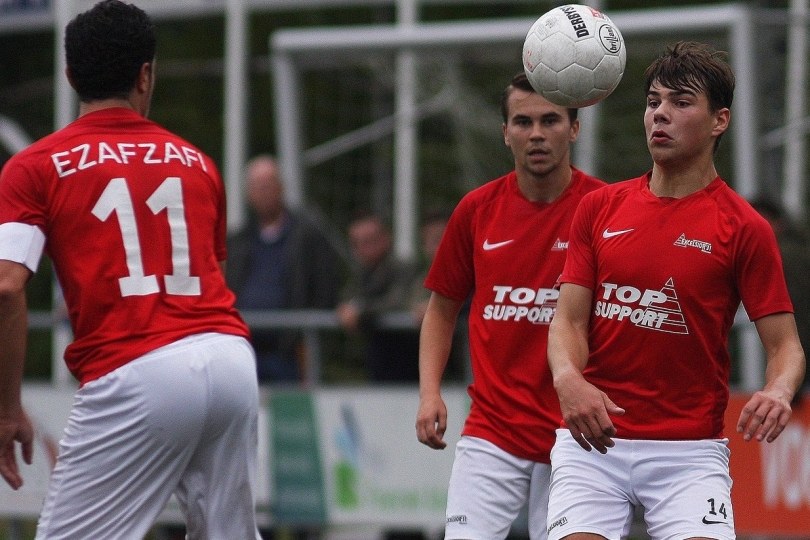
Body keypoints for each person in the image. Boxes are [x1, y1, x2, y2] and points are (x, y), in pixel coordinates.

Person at [0, 2, 262, 538]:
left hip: (137, 367)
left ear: (71, 75)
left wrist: (6, 409)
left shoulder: (35, 166)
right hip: (230, 359)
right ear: (146, 74)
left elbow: (6, 287)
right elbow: (212, 273)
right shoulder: (197, 162)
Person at [546, 41, 806, 539]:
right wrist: (567, 377)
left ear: (719, 120)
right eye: (653, 102)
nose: (660, 115)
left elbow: (786, 346)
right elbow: (569, 320)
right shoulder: (599, 209)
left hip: (689, 454)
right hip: (594, 447)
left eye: (681, 103)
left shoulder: (744, 227)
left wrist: (777, 389)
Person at [414, 71, 605, 540]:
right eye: (522, 122)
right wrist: (429, 392)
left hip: (575, 435)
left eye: (550, 120)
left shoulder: (605, 208)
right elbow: (441, 310)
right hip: (492, 430)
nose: (536, 134)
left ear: (574, 128)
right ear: (505, 133)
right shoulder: (476, 210)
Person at [226, 154, 344, 383]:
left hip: (290, 350)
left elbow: (325, 285)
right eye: (258, 187)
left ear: (281, 188)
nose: (264, 192)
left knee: (293, 415)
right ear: (249, 194)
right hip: (244, 348)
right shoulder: (238, 241)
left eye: (269, 185)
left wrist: (306, 332)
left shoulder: (307, 236)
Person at [336, 211, 419, 382]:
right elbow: (347, 298)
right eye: (359, 242)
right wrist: (345, 307)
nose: (366, 246)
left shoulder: (403, 269)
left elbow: (398, 301)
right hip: (378, 359)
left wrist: (360, 311)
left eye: (371, 239)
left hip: (408, 357)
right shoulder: (361, 275)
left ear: (386, 238)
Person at [750, 197, 810, 397]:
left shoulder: (783, 258)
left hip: (794, 377)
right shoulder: (798, 251)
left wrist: (790, 385)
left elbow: (796, 314)